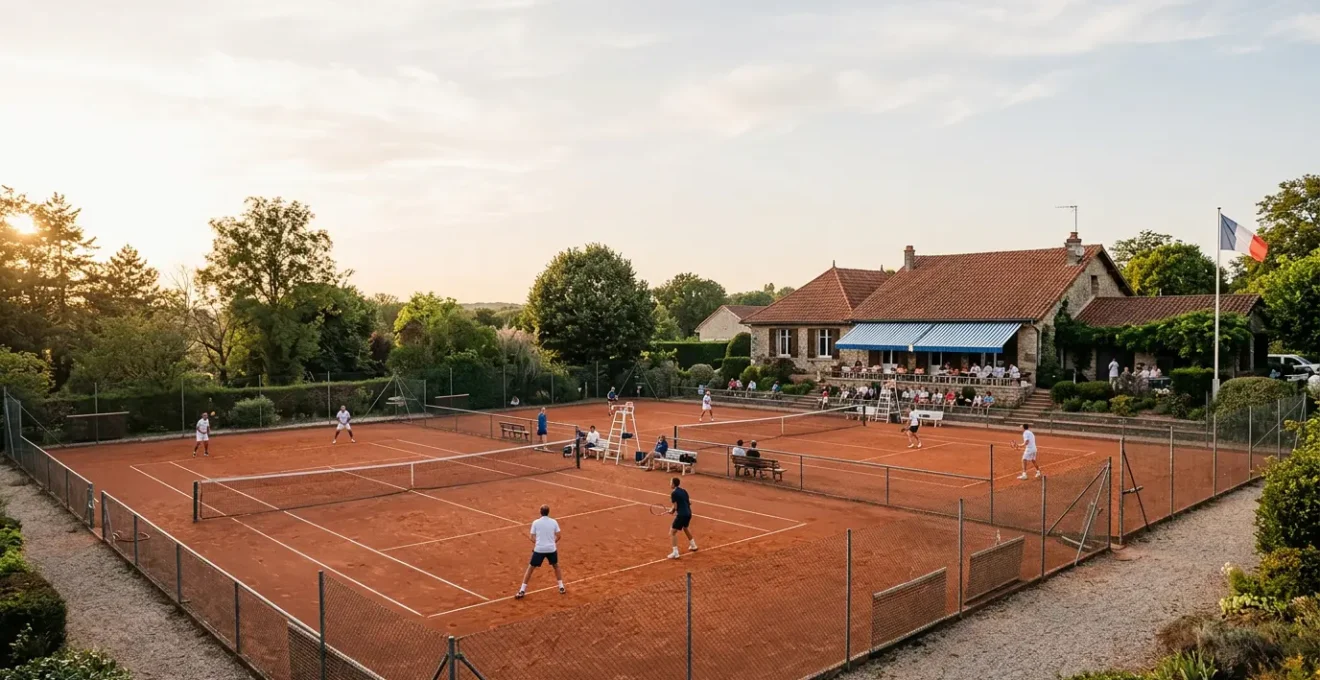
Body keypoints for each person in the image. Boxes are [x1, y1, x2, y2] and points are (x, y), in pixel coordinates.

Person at [515, 505, 566, 599]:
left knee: (530, 569)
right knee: (556, 566)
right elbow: (559, 536)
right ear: (548, 512)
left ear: (540, 512)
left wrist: (538, 544)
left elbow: (531, 537)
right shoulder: (554, 522)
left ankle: (522, 590)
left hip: (539, 549)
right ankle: (561, 587)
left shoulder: (535, 522)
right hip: (551, 549)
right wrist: (552, 543)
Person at [667, 477, 698, 559]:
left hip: (682, 515)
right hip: (688, 513)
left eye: (670, 482)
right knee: (685, 528)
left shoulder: (674, 493)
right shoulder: (684, 491)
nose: (670, 484)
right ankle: (693, 545)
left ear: (673, 484)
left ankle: (675, 552)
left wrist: (672, 511)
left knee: (673, 532)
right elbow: (689, 502)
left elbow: (676, 507)